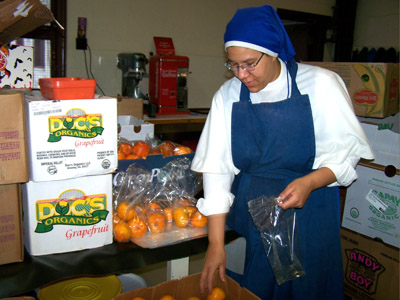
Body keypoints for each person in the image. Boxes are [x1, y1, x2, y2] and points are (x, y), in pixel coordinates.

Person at [190, 4, 374, 300]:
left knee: (308, 291)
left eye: (250, 63)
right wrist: (215, 243)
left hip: (309, 210)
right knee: (252, 289)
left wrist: (310, 182)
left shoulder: (320, 85)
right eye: (233, 65)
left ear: (272, 51)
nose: (242, 75)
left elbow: (347, 155)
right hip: (251, 216)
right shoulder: (228, 96)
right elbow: (217, 169)